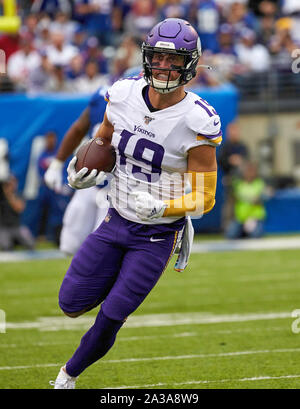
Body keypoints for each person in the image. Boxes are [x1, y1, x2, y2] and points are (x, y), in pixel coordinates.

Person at [50, 18, 222, 389]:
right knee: (70, 303)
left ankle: (67, 376)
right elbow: (104, 142)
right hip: (116, 217)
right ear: (146, 57)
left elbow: (205, 197)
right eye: (158, 58)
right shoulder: (123, 94)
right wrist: (83, 170)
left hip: (157, 236)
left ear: (190, 65)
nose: (164, 67)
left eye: (174, 61)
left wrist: (165, 209)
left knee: (112, 314)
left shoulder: (197, 119)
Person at [44, 87, 110, 255]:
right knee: (70, 243)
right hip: (90, 177)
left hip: (121, 184)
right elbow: (79, 128)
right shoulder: (104, 97)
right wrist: (57, 163)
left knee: (104, 248)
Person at [225, 161, 266, 239]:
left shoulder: (259, 183)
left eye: (252, 171)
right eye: (248, 171)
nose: (250, 173)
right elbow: (232, 197)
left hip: (255, 217)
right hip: (240, 218)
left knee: (256, 235)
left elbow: (260, 199)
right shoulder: (238, 184)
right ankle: (243, 233)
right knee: (230, 235)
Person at [0, 175, 35, 251]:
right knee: (6, 246)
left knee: (30, 243)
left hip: (17, 227)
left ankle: (16, 240)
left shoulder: (18, 195)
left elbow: (19, 208)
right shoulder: (1, 196)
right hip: (3, 228)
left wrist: (9, 195)